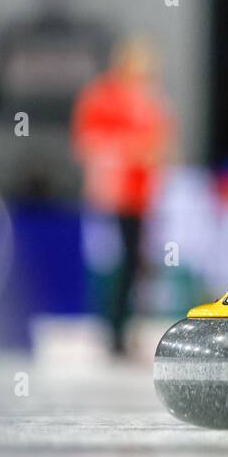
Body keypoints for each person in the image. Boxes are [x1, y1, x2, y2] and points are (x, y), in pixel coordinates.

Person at [71, 37, 171, 356]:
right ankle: (110, 329)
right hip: (111, 195)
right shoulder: (102, 97)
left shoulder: (149, 100)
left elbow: (161, 144)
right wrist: (129, 151)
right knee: (109, 263)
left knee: (134, 265)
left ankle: (125, 328)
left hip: (140, 196)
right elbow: (88, 142)